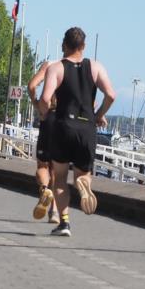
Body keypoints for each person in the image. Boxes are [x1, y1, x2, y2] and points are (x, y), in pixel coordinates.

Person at [39, 27, 116, 236]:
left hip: (63, 126)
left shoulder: (57, 68)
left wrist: (44, 114)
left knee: (60, 178)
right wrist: (99, 114)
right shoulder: (96, 67)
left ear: (64, 44)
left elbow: (45, 98)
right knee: (83, 173)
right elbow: (111, 95)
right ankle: (84, 183)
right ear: (83, 46)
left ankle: (64, 223)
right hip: (87, 128)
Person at [27, 60, 58, 223]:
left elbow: (32, 85)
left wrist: (36, 104)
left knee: (43, 166)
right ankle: (55, 212)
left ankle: (45, 189)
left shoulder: (50, 65)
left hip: (49, 118)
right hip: (67, 121)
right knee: (58, 170)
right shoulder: (77, 68)